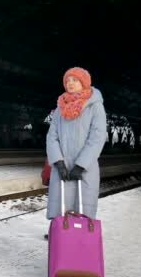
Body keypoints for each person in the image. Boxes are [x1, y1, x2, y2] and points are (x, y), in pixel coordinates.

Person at [45, 67, 107, 239]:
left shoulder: (95, 107)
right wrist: (58, 161)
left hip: (85, 167)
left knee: (83, 204)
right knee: (61, 204)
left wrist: (81, 165)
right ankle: (60, 232)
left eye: (75, 80)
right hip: (63, 165)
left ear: (84, 82)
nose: (70, 84)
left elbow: (97, 136)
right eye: (67, 81)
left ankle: (81, 237)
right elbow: (52, 136)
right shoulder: (60, 108)